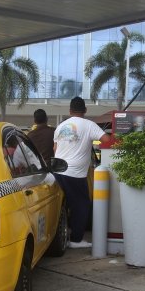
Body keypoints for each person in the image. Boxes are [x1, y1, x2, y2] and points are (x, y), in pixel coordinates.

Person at [53, 97, 111, 248]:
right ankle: (75, 240)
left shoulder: (60, 126)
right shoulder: (89, 125)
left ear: (70, 111)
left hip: (58, 171)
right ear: (85, 110)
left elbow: (55, 149)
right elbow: (106, 140)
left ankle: (61, 236)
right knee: (82, 205)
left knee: (63, 204)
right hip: (75, 174)